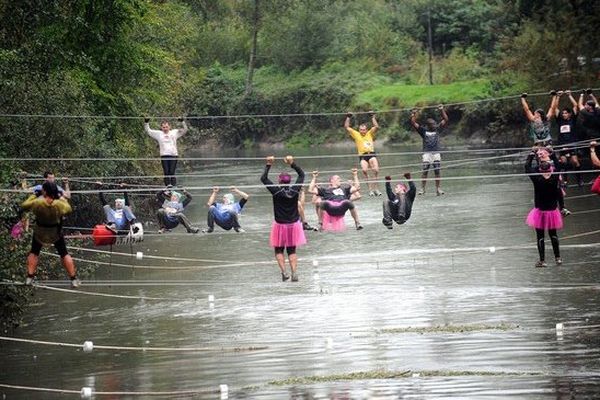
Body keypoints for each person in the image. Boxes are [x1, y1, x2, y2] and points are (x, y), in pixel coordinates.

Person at [21, 181, 81, 287]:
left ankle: (29, 278)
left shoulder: (37, 202)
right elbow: (68, 209)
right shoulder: (59, 204)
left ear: (44, 191)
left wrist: (34, 195)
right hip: (55, 233)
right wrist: (61, 197)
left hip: (40, 232)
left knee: (34, 252)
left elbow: (24, 205)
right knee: (64, 253)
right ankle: (73, 279)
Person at [261, 155, 306, 282]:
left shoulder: (276, 191)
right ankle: (294, 273)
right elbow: (302, 175)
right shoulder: (295, 190)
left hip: (280, 225)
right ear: (289, 181)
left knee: (279, 250)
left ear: (280, 181)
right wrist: (292, 163)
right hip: (293, 225)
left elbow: (263, 178)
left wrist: (269, 164)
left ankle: (284, 272)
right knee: (292, 250)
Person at [525, 150, 570, 267]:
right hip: (552, 211)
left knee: (540, 236)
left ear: (540, 170)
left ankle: (542, 261)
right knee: (553, 235)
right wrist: (552, 154)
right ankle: (558, 258)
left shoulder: (537, 178)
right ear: (551, 169)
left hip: (540, 211)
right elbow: (559, 166)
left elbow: (527, 168)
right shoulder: (554, 177)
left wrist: (531, 155)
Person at [410, 105, 449, 195]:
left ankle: (438, 189)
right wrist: (413, 114)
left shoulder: (437, 129)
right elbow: (413, 123)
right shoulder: (423, 131)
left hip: (436, 153)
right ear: (428, 125)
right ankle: (422, 189)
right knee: (425, 170)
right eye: (433, 124)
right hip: (426, 153)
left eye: (435, 124)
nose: (435, 125)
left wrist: (442, 110)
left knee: (437, 170)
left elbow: (446, 119)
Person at [550, 90, 583, 185]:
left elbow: (575, 106)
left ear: (569, 114)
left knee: (575, 161)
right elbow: (555, 108)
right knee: (563, 162)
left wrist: (569, 95)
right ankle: (565, 181)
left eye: (565, 113)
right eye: (563, 113)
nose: (564, 114)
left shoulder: (573, 119)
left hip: (572, 143)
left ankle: (579, 179)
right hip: (562, 143)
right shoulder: (559, 120)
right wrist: (558, 97)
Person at [345, 111, 381, 196]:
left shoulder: (369, 133)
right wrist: (348, 117)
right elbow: (347, 127)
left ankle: (376, 188)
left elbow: (376, 126)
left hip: (371, 153)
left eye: (364, 130)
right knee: (364, 170)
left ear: (366, 130)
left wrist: (372, 117)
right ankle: (370, 190)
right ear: (359, 130)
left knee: (376, 170)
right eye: (361, 130)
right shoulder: (356, 134)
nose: (362, 131)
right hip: (362, 155)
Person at [144, 117, 188, 187]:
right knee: (166, 172)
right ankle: (167, 187)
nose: (165, 128)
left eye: (166, 127)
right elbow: (148, 131)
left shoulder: (174, 132)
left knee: (172, 172)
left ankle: (173, 188)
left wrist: (182, 121)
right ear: (161, 128)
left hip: (173, 155)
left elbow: (185, 130)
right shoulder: (158, 134)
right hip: (164, 155)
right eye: (164, 127)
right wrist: (146, 122)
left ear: (169, 127)